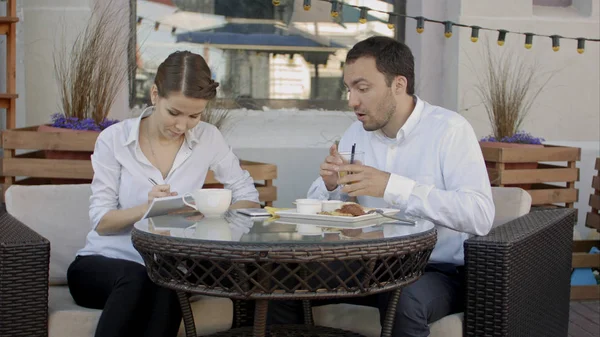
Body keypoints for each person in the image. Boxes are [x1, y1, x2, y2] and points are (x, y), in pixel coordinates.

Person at [268, 36, 495, 336]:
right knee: (278, 280)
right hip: (365, 264)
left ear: (398, 85)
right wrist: (330, 185)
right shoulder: (356, 133)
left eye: (362, 89)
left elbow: (480, 215)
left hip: (434, 270)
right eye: (349, 89)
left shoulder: (449, 131)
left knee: (402, 299)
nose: (352, 101)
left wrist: (392, 186)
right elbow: (324, 206)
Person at [67, 51, 260, 337]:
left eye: (194, 115)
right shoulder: (115, 139)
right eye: (174, 113)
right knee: (139, 279)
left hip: (169, 268)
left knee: (168, 284)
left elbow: (246, 194)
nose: (182, 126)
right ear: (155, 95)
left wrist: (215, 225)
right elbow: (102, 221)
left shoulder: (208, 138)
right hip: (103, 265)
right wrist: (147, 207)